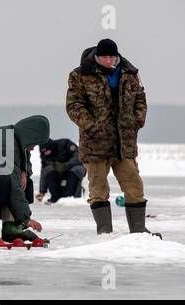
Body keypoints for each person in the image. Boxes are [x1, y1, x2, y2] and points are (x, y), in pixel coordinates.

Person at [66, 38, 160, 237]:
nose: (108, 61)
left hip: (124, 143)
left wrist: (136, 122)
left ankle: (138, 231)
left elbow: (141, 100)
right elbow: (74, 106)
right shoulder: (81, 75)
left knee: (134, 185)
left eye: (111, 57)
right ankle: (104, 232)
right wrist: (92, 126)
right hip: (95, 144)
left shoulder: (130, 73)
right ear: (97, 57)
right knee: (98, 188)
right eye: (104, 57)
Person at [35, 138, 86, 204]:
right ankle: (55, 197)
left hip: (73, 168)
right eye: (44, 152)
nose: (46, 153)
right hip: (58, 173)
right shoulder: (45, 156)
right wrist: (42, 192)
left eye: (47, 151)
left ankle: (69, 196)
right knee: (48, 170)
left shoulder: (65, 143)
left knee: (77, 170)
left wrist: (67, 165)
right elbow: (43, 173)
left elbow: (79, 155)